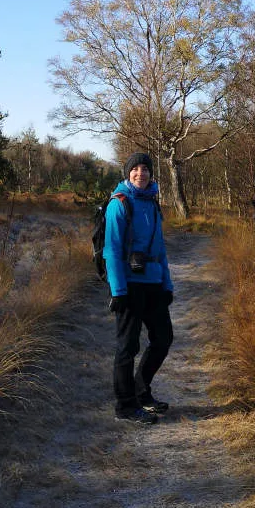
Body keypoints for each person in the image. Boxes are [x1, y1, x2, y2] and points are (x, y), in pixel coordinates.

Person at [104, 151, 174, 424]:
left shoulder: (153, 204)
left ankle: (141, 391)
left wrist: (166, 284)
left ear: (151, 174)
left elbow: (160, 249)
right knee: (128, 346)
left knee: (163, 338)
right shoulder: (119, 204)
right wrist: (118, 291)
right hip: (130, 286)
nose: (140, 173)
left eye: (145, 169)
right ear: (127, 173)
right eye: (135, 169)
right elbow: (112, 250)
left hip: (154, 283)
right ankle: (125, 406)